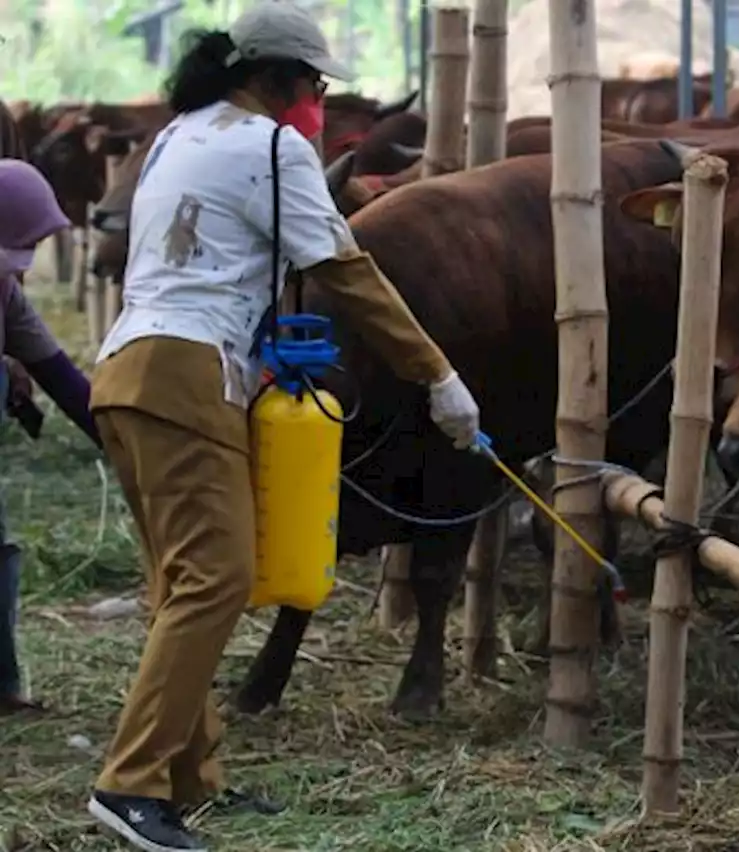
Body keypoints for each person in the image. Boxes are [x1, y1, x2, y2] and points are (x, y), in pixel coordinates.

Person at [85, 4, 481, 851]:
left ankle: (193, 776)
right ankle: (128, 786)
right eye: (315, 85)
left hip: (125, 370)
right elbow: (345, 269)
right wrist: (437, 374)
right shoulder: (272, 147)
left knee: (181, 582)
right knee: (216, 582)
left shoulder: (180, 133)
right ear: (280, 79)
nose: (319, 102)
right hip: (186, 377)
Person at [0, 161, 102, 716]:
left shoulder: (7, 297)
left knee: (1, 551)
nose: (24, 261)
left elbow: (63, 379)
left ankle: (2, 687)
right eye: (21, 243)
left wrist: (125, 445)